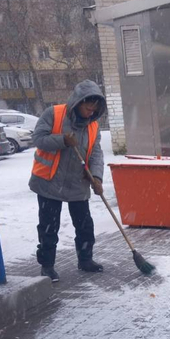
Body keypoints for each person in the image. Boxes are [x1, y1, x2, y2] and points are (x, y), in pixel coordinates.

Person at [29, 80, 106, 282]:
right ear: (77, 102)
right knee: (49, 227)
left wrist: (97, 177)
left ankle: (85, 259)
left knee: (84, 225)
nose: (90, 113)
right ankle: (47, 266)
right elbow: (37, 138)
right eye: (88, 108)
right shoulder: (54, 114)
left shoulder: (93, 125)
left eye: (94, 109)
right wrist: (62, 140)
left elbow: (96, 153)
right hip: (49, 182)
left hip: (77, 183)